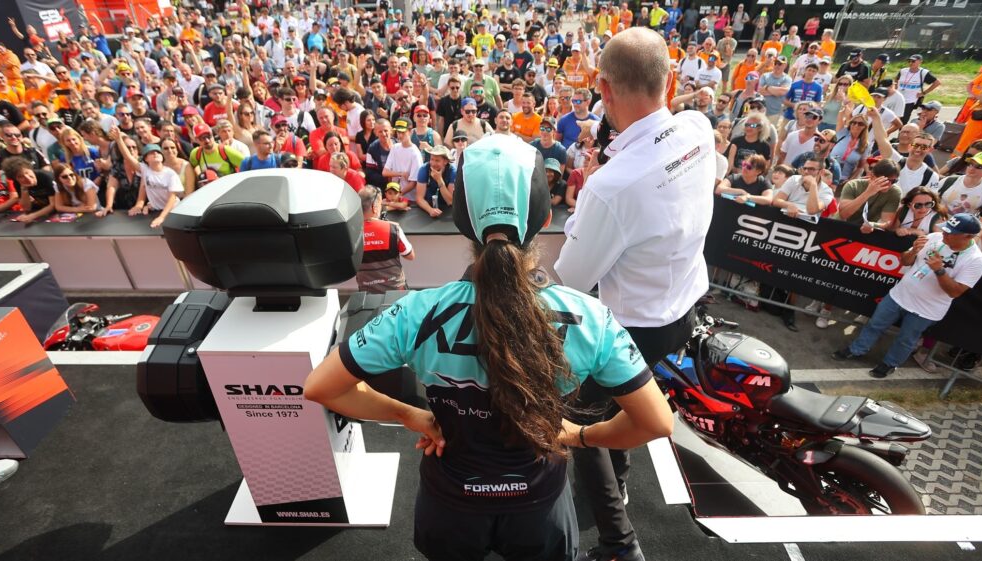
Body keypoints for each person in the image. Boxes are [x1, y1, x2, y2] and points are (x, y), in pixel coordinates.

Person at [304, 134, 673, 561]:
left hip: (450, 504)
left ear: (463, 221)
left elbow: (320, 387)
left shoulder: (415, 311)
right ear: (543, 217)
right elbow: (656, 422)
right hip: (540, 509)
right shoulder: (590, 317)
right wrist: (582, 436)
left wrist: (410, 415)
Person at [555, 28, 713, 561]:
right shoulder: (699, 128)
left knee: (581, 422)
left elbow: (572, 277)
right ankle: (620, 475)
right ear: (670, 78)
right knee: (625, 406)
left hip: (630, 329)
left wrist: (584, 209)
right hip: (684, 312)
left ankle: (619, 542)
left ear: (603, 88)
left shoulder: (610, 186)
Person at [834, 214, 982, 378]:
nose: (944, 234)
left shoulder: (976, 260)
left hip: (925, 310)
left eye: (951, 232)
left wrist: (939, 270)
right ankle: (857, 349)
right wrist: (913, 251)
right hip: (898, 295)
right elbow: (904, 261)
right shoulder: (935, 237)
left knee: (906, 340)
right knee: (874, 325)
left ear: (968, 236)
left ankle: (890, 364)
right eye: (945, 229)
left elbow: (955, 292)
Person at [355, 186, 414, 292]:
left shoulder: (352, 232)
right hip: (395, 290)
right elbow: (410, 256)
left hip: (367, 292)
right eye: (380, 204)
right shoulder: (393, 228)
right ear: (374, 207)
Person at [130, 144, 183, 229]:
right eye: (151, 153)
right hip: (156, 210)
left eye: (158, 152)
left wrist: (161, 217)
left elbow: (172, 198)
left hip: (173, 209)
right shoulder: (145, 170)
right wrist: (119, 140)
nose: (155, 154)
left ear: (162, 157)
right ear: (146, 159)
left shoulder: (171, 174)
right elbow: (128, 157)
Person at [896, 54, 940, 123]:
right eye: (909, 61)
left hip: (909, 101)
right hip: (898, 98)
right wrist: (895, 90)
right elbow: (896, 80)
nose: (910, 63)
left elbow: (937, 83)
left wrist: (923, 93)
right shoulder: (903, 71)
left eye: (913, 61)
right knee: (892, 118)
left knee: (903, 121)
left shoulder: (924, 73)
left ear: (920, 62)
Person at [414, 144, 455, 217]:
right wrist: (430, 210)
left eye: (437, 160)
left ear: (445, 161)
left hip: (447, 209)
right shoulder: (424, 169)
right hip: (427, 207)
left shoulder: (453, 172)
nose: (433, 163)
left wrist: (439, 180)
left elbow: (450, 201)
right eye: (432, 159)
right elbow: (419, 198)